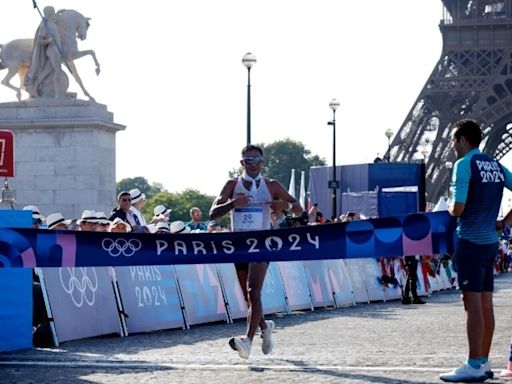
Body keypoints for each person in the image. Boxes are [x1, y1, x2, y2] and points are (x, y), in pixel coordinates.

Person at [209, 144, 303, 359]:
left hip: (262, 242)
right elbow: (213, 213)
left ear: (263, 162)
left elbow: (298, 208)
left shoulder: (272, 185)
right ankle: (265, 326)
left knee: (254, 291)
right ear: (241, 163)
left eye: (257, 161)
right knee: (247, 296)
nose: (253, 165)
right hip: (239, 243)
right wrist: (234, 203)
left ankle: (247, 340)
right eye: (248, 161)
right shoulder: (233, 184)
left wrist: (284, 206)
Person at [440, 119, 512, 383]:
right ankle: (483, 359)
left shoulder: (464, 164)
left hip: (469, 240)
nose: (451, 145)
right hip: (490, 242)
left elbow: (457, 209)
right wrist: (504, 222)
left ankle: (473, 365)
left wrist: (448, 207)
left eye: (453, 140)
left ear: (463, 140)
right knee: (485, 302)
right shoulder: (494, 165)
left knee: (471, 304)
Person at [25, 6, 65, 98]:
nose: (53, 13)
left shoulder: (51, 23)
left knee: (45, 72)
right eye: (52, 12)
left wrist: (60, 11)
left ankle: (34, 88)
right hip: (52, 50)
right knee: (57, 71)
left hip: (56, 50)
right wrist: (49, 40)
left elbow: (56, 18)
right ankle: (57, 95)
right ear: (49, 12)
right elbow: (39, 40)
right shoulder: (44, 24)